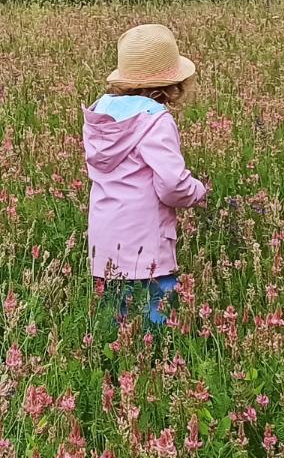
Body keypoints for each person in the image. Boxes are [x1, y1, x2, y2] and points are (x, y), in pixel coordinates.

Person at [84, 22, 209, 329]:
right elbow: (172, 185)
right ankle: (155, 368)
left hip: (105, 243)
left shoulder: (101, 115)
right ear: (170, 85)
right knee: (157, 318)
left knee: (115, 320)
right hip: (147, 243)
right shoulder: (155, 120)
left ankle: (114, 368)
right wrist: (197, 190)